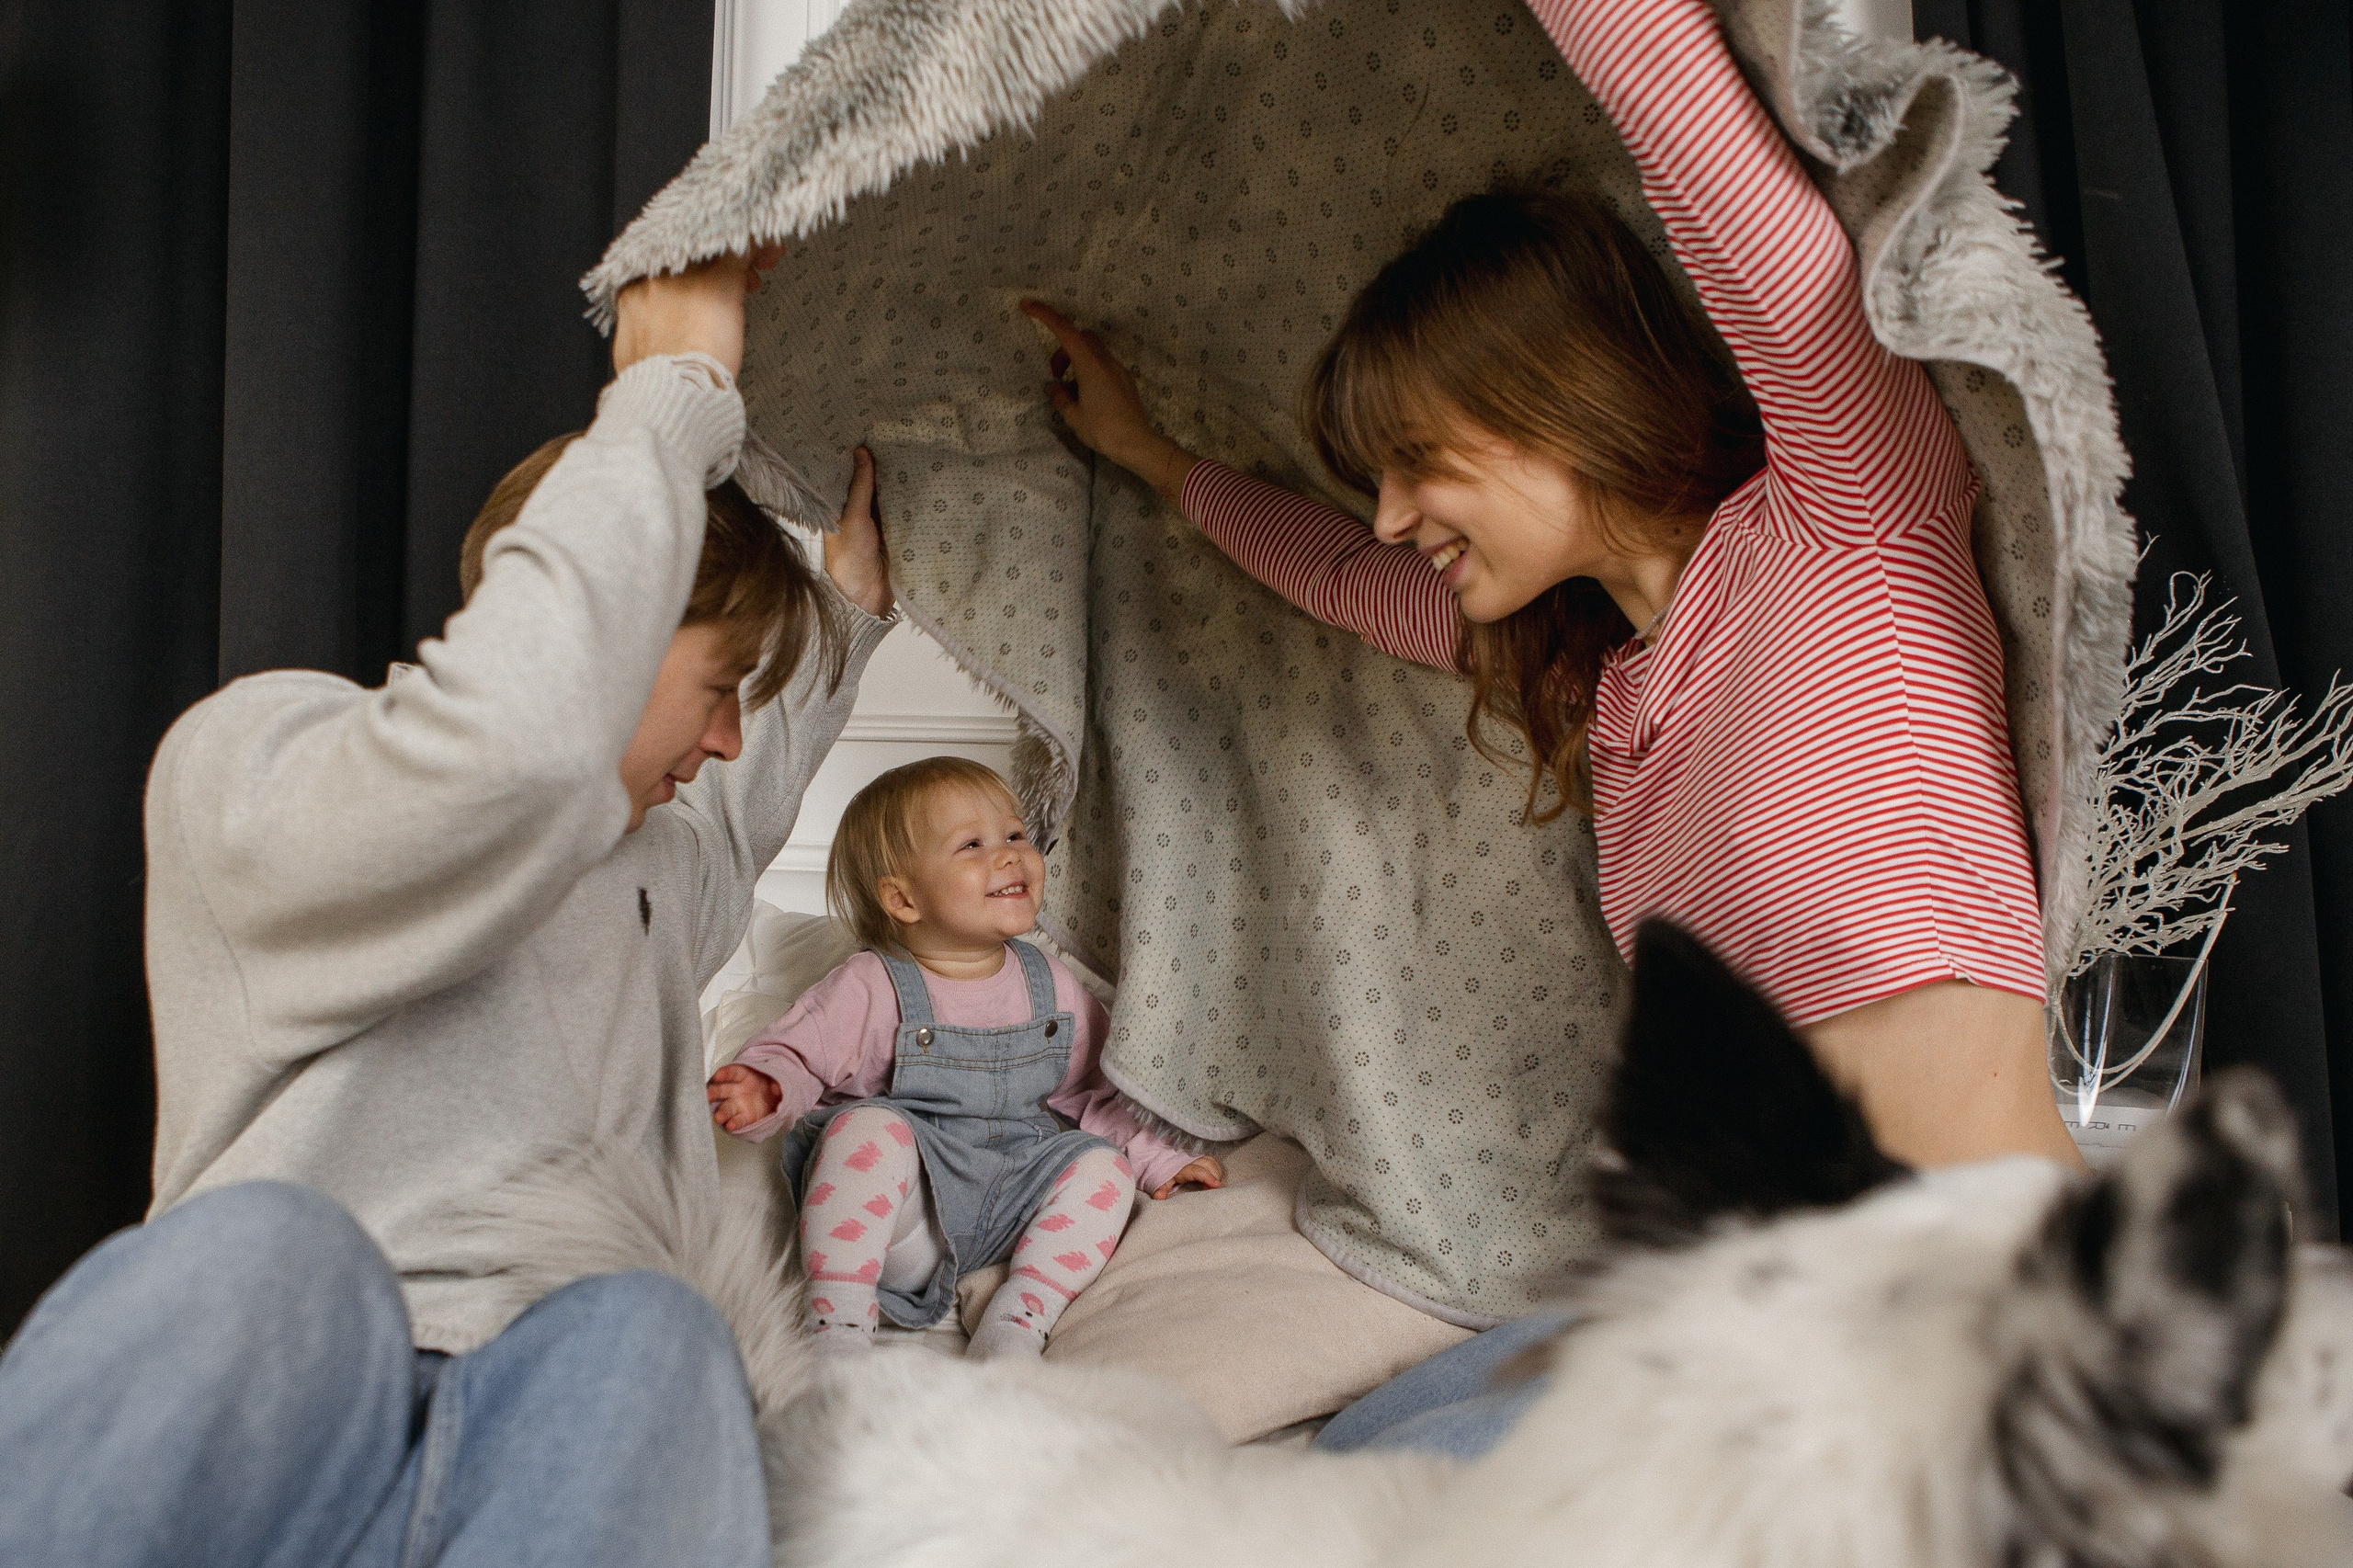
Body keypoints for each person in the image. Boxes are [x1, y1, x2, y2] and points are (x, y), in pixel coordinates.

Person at [1022, 0, 2079, 1176]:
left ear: (1557, 396)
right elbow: (1334, 571)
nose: (1387, 516)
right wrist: (1150, 456)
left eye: (1418, 461)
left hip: (1998, 1297)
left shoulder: (1845, 512)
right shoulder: (1601, 678)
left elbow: (1711, 175)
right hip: (1776, 1313)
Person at [0, 249, 898, 1567]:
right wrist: (666, 399)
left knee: (657, 1332)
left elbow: (742, 796)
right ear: (616, 617)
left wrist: (850, 610)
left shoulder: (663, 868)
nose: (723, 738)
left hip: (554, 1407)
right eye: (717, 684)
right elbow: (516, 757)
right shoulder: (257, 763)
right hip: (300, 1380)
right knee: (276, 1258)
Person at [708, 756, 1222, 1359]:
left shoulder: (1050, 984)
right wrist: (769, 1086)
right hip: (906, 1222)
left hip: (1015, 1205)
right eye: (972, 845)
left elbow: (1096, 1091)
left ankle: (1021, 1317)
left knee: (1100, 1165)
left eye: (1015, 835)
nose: (1008, 855)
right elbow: (798, 1052)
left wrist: (1159, 1161)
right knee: (867, 1129)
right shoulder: (873, 984)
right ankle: (838, 1328)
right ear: (903, 898)